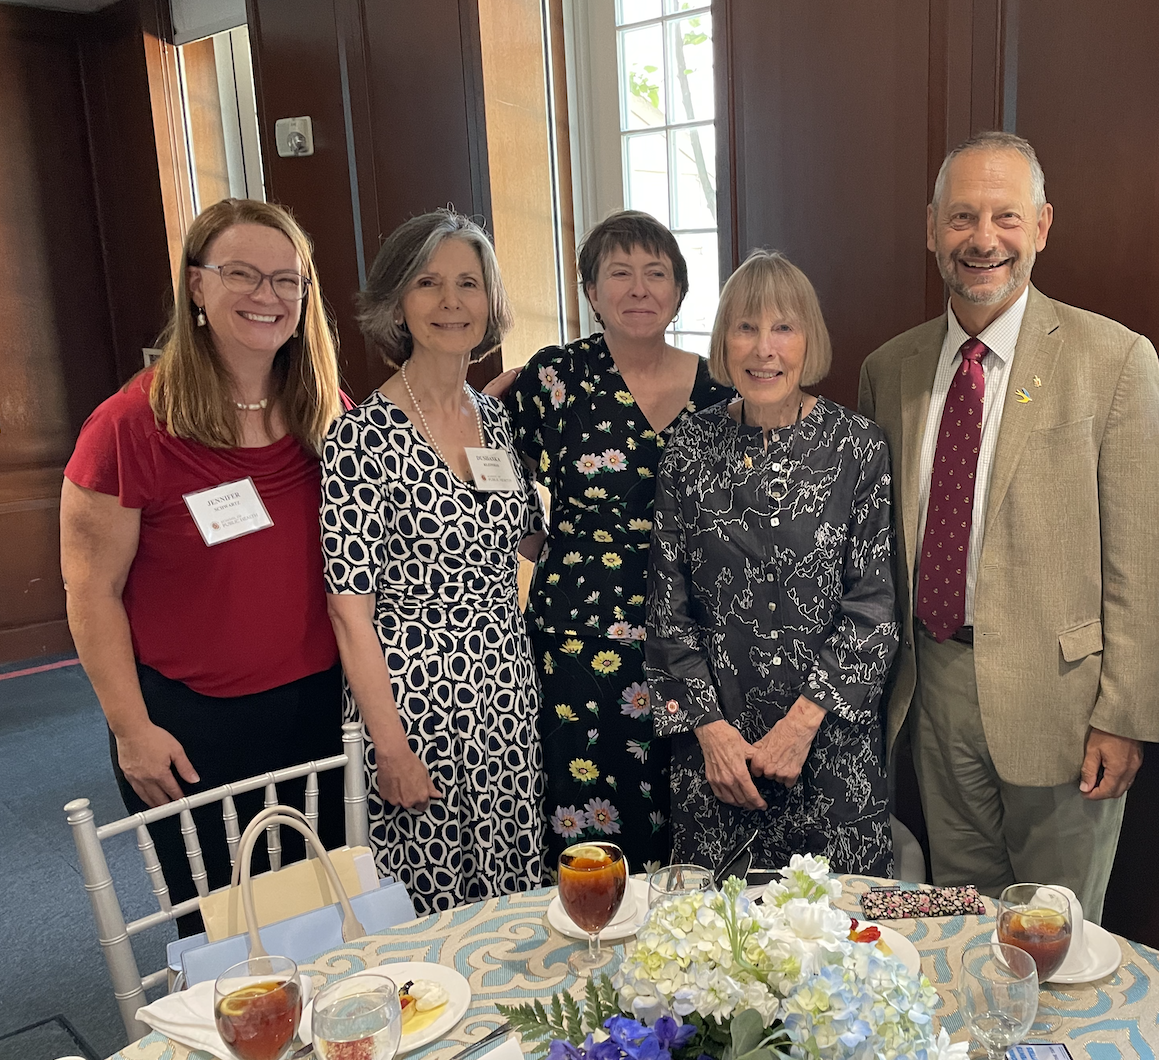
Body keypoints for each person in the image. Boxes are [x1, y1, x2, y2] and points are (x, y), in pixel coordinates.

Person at [856, 131, 1159, 916]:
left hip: (1066, 707)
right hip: (931, 690)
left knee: (1053, 935)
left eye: (1006, 215)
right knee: (964, 922)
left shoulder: (1115, 360)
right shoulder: (887, 369)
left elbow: (1147, 554)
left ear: (1041, 227)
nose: (983, 238)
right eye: (962, 217)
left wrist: (1127, 714)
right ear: (932, 228)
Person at [61, 198, 345, 933]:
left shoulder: (326, 411)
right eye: (241, 274)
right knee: (231, 933)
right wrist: (130, 729)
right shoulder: (128, 427)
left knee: (331, 914)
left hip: (321, 712)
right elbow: (91, 590)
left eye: (287, 280)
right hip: (195, 731)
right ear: (195, 286)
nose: (266, 296)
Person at [488, 211, 730, 872]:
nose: (638, 288)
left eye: (656, 273)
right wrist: (531, 534)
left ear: (679, 290)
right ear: (591, 292)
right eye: (618, 273)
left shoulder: (720, 389)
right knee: (584, 816)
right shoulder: (554, 380)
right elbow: (483, 451)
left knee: (682, 811)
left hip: (688, 642)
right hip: (576, 639)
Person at [321, 210, 546, 913]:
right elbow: (347, 606)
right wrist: (389, 748)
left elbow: (531, 539)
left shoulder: (497, 419)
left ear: (491, 301)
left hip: (505, 688)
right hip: (414, 701)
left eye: (468, 284)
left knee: (514, 891)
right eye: (428, 283)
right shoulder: (361, 437)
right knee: (427, 906)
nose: (452, 302)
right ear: (396, 302)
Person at [646, 249, 898, 875]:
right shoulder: (688, 444)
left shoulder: (856, 447)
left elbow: (873, 608)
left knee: (839, 952)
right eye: (746, 328)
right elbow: (666, 608)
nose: (765, 349)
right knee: (715, 953)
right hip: (718, 760)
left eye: (783, 327)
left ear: (808, 340)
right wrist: (709, 730)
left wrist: (801, 726)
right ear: (723, 341)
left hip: (829, 750)